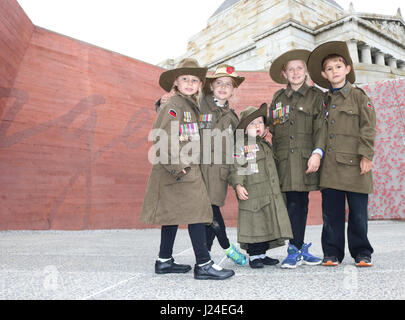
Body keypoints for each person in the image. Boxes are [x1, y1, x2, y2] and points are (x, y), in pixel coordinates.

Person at [140, 58, 235, 280]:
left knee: (172, 214)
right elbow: (163, 136)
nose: (190, 83)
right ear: (176, 82)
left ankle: (164, 261)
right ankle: (203, 264)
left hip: (182, 168)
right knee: (198, 212)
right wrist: (179, 166)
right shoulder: (175, 105)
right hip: (181, 168)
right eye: (185, 79)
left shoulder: (188, 105)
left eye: (195, 80)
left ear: (200, 84)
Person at [307, 41, 376, 267]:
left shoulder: (358, 96)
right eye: (329, 68)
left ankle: (362, 253)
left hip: (356, 165)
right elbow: (321, 131)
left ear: (347, 69)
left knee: (358, 214)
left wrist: (366, 156)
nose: (334, 71)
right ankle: (332, 253)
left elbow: (368, 127)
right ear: (324, 75)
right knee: (331, 215)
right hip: (331, 168)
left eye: (338, 66)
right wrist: (317, 153)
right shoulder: (324, 101)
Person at [268, 49, 327, 268]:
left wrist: (317, 153)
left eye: (299, 68)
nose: (295, 72)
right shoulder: (278, 97)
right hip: (283, 161)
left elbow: (321, 127)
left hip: (305, 159)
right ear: (284, 74)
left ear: (306, 71)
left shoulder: (316, 96)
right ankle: (296, 249)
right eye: (290, 69)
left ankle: (296, 249)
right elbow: (269, 122)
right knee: (292, 203)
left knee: (300, 203)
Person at [228, 103, 293, 268]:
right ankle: (254, 256)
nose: (256, 126)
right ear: (244, 128)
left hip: (268, 192)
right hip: (252, 193)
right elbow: (236, 166)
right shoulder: (241, 144)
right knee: (254, 224)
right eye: (251, 123)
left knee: (266, 223)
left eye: (259, 123)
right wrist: (238, 185)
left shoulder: (265, 144)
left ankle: (262, 254)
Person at [200, 64, 247, 266]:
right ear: (211, 86)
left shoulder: (232, 118)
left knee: (209, 213)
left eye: (228, 84)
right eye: (218, 83)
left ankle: (206, 256)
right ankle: (227, 247)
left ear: (233, 89)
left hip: (219, 172)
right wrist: (162, 102)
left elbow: (239, 145)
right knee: (207, 212)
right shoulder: (200, 104)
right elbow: (176, 110)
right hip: (199, 170)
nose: (223, 87)